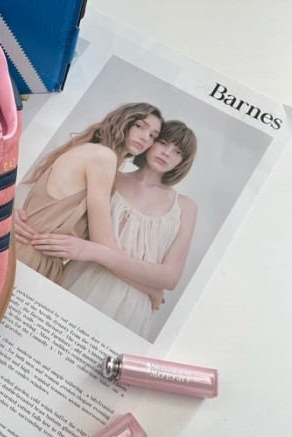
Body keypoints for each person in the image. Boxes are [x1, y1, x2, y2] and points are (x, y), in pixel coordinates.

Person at [33, 120, 198, 338]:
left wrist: (95, 251)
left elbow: (170, 278)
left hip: (132, 307)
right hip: (83, 281)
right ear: (151, 141)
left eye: (178, 152)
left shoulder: (185, 206)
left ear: (183, 161)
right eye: (163, 143)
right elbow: (61, 214)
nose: (167, 153)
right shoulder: (110, 177)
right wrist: (150, 288)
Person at [15, 102, 163, 283]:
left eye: (153, 136)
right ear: (124, 120)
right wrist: (150, 287)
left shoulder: (89, 150)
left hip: (28, 253)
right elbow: (103, 242)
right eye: (139, 126)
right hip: (30, 258)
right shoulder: (103, 157)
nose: (145, 137)